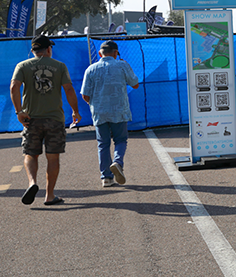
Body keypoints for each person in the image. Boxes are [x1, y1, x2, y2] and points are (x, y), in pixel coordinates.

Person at [10, 36, 81, 206]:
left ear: (33, 50)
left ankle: (32, 182)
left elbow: (14, 87)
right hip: (54, 119)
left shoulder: (22, 66)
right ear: (49, 49)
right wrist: (75, 111)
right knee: (53, 157)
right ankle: (49, 196)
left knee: (30, 154)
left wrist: (19, 111)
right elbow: (69, 89)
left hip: (30, 119)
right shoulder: (60, 66)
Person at [80, 40, 140, 187]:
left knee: (103, 144)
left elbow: (85, 94)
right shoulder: (122, 65)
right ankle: (117, 162)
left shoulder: (91, 69)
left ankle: (106, 178)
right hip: (119, 111)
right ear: (115, 53)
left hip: (100, 112)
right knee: (120, 140)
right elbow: (135, 84)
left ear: (100, 53)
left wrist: (94, 104)